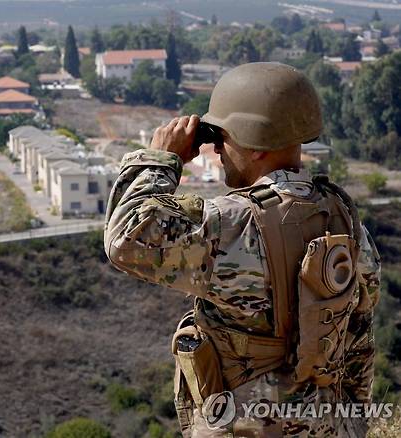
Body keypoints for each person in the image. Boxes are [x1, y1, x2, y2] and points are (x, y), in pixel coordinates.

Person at [103, 62, 381, 437]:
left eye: (220, 136)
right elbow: (360, 330)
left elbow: (125, 239)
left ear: (255, 145)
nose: (215, 148)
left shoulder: (230, 226)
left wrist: (160, 159)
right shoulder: (344, 217)